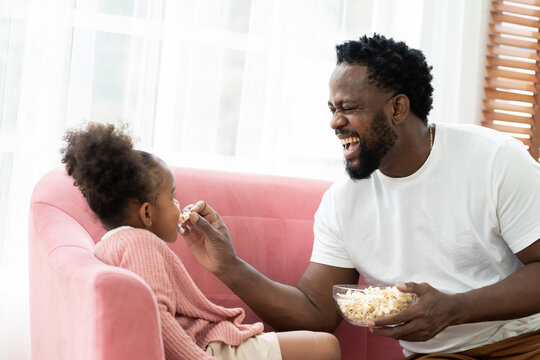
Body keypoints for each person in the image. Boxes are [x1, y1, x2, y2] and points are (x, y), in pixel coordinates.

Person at [178, 34, 540, 359]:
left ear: (397, 108)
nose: (335, 122)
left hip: (528, 341)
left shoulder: (494, 160)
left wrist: (455, 309)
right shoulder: (343, 202)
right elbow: (315, 311)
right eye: (333, 110)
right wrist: (229, 266)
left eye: (348, 108)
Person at [60, 122, 341, 360]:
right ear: (147, 212)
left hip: (204, 344)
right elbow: (157, 317)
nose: (177, 203)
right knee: (326, 346)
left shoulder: (108, 245)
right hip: (205, 348)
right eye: (171, 197)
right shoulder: (140, 243)